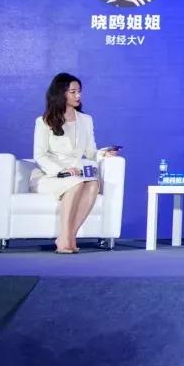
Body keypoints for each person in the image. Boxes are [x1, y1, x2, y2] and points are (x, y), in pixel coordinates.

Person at [30, 73, 116, 253]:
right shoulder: (44, 121)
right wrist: (62, 170)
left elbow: (91, 152)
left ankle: (67, 236)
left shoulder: (86, 120)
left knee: (93, 183)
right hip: (49, 176)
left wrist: (104, 153)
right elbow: (40, 155)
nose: (78, 95)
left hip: (76, 173)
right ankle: (65, 239)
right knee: (76, 183)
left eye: (79, 91)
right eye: (73, 92)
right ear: (61, 93)